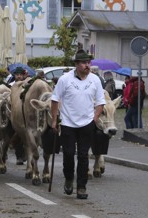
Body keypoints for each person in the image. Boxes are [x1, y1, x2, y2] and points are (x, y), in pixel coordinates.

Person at [51, 49, 105, 200]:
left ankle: (81, 187)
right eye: (84, 63)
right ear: (76, 64)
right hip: (68, 123)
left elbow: (100, 102)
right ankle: (69, 178)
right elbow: (55, 99)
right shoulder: (65, 79)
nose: (87, 65)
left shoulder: (95, 80)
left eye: (89, 62)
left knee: (83, 155)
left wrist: (94, 118)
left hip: (87, 123)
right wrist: (54, 120)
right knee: (68, 154)